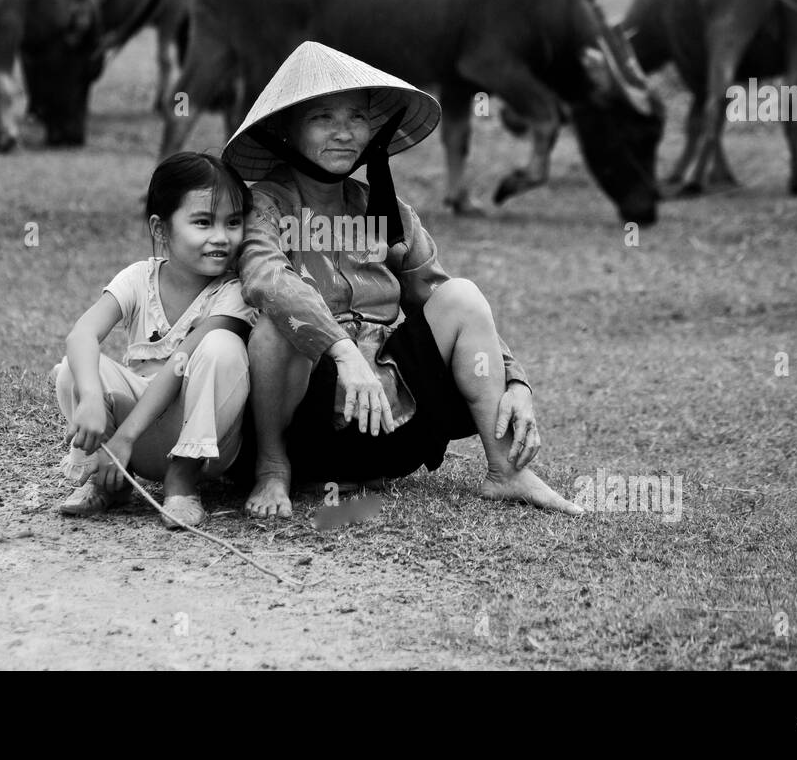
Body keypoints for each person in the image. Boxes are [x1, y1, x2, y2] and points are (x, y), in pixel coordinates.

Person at [225, 41, 583, 519]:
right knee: (275, 327)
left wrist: (516, 379)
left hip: (390, 421)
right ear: (287, 131)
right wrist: (340, 348)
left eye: (356, 117)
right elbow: (265, 279)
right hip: (306, 425)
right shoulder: (265, 205)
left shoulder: (389, 213)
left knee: (462, 296)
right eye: (322, 118)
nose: (343, 133)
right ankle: (273, 469)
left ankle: (505, 471)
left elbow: (441, 296)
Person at [51, 152, 256, 528]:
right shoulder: (138, 279)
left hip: (207, 443)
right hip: (135, 442)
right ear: (161, 230)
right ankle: (108, 478)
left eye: (233, 222)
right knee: (73, 370)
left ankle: (183, 479)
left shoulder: (234, 292)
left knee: (221, 347)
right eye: (202, 222)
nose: (221, 237)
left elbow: (181, 364)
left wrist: (126, 436)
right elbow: (82, 334)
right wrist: (94, 399)